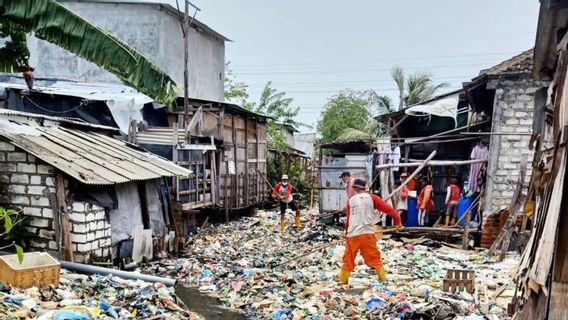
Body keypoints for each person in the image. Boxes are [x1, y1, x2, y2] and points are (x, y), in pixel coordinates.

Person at [339, 178, 403, 284]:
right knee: (375, 257)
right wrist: (398, 223)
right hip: (367, 234)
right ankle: (383, 280)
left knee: (348, 259)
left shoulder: (350, 200)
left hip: (352, 235)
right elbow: (390, 210)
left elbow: (348, 221)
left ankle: (342, 282)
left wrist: (346, 234)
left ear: (354, 188)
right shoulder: (372, 198)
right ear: (365, 188)